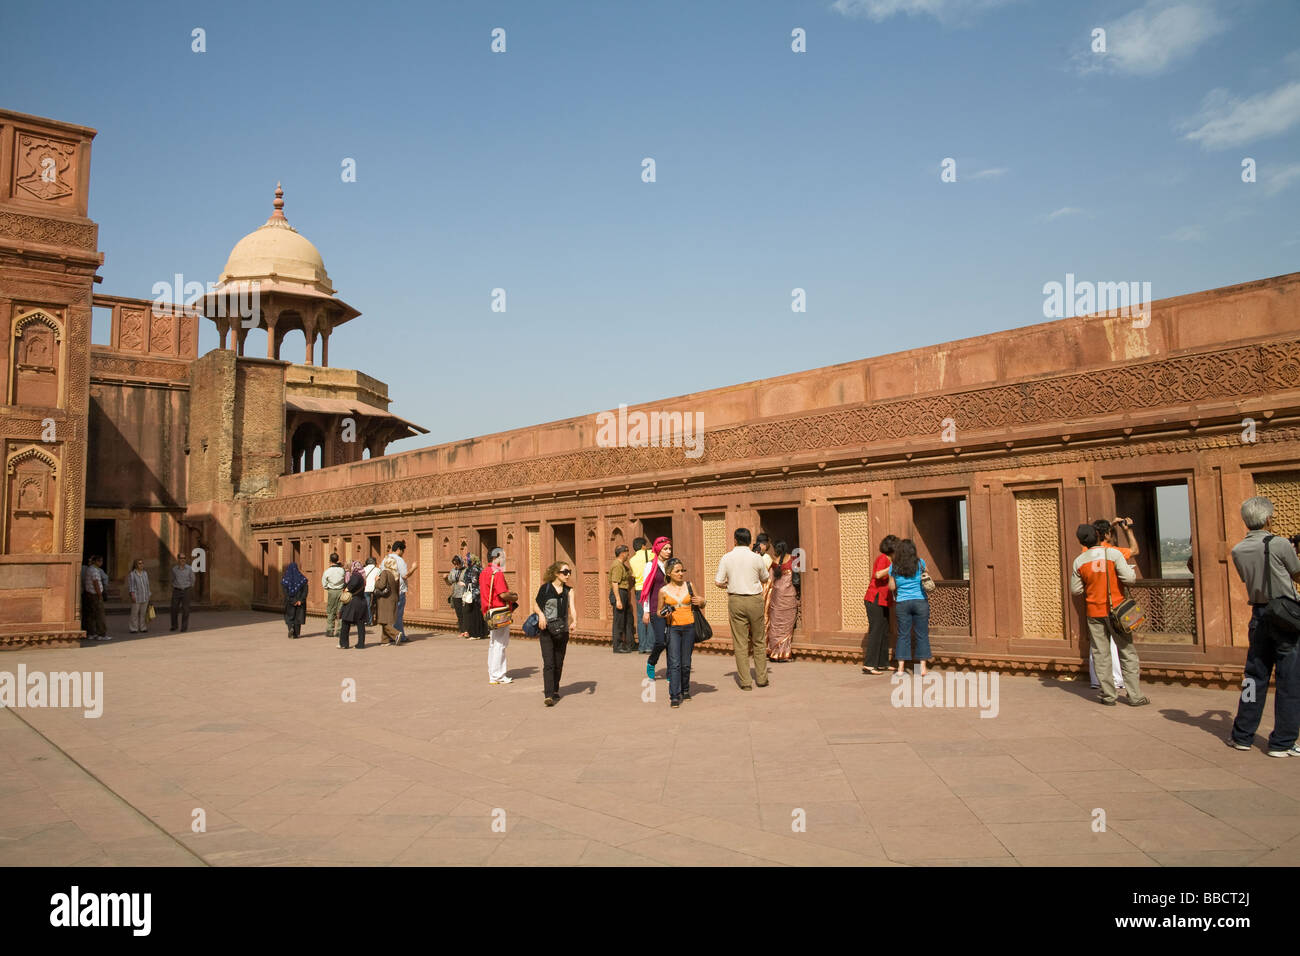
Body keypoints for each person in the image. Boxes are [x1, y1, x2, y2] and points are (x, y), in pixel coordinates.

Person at [1229, 497, 1300, 755]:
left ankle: (1242, 736)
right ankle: (1282, 742)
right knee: (1289, 679)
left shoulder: (1237, 550)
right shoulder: (1279, 543)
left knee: (1254, 677)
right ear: (1268, 518)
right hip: (1285, 614)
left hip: (1258, 614)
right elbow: (1297, 573)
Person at [1069, 524, 1148, 706]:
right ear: (1098, 536)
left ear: (1082, 541)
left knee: (1101, 654)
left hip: (1094, 612)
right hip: (1117, 611)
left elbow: (1075, 590)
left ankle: (1108, 695)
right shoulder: (1113, 554)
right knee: (1127, 652)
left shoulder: (1080, 561)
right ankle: (1134, 695)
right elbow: (1130, 579)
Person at [715, 527, 770, 691]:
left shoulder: (727, 557)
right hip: (754, 600)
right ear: (750, 540)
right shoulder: (756, 557)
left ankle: (746, 682)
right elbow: (765, 578)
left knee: (740, 643)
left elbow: (718, 581)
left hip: (736, 600)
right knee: (759, 640)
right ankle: (761, 679)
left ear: (735, 540)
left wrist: (729, 584)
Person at [1087, 518, 1138, 692]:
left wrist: (1111, 524)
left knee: (1098, 648)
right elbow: (1134, 550)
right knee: (1118, 646)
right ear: (1108, 534)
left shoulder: (1085, 554)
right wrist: (1127, 530)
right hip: (1114, 606)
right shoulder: (1114, 553)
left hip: (1093, 608)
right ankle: (1117, 681)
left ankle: (1098, 681)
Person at [659, 557, 706, 708]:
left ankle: (685, 689)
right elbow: (658, 612)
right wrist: (663, 613)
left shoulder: (689, 585)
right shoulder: (663, 591)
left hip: (689, 627)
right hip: (673, 628)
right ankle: (674, 695)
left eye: (682, 570)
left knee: (686, 663)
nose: (681, 574)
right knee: (674, 663)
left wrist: (702, 601)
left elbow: (701, 602)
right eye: (677, 571)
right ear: (669, 573)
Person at [535, 561, 576, 705]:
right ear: (556, 573)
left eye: (569, 572)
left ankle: (555, 689)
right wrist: (541, 615)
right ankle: (548, 695)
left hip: (562, 631)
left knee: (558, 662)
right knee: (549, 663)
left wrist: (574, 621)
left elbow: (572, 607)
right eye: (565, 572)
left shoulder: (569, 590)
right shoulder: (545, 589)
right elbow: (536, 605)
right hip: (546, 630)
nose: (568, 575)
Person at [890, 539, 931, 677]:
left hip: (902, 603)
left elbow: (892, 587)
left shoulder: (894, 566)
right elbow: (926, 576)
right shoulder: (920, 563)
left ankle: (901, 668)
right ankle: (922, 668)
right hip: (920, 601)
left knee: (903, 635)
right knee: (922, 634)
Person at [863, 535, 898, 674]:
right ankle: (869, 665)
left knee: (884, 631)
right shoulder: (883, 558)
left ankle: (882, 663)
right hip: (874, 599)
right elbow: (877, 575)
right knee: (876, 631)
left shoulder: (891, 560)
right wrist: (892, 568)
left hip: (884, 600)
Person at [481, 547, 517, 684]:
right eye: (503, 557)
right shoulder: (497, 573)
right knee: (500, 644)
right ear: (496, 556)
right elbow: (503, 594)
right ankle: (498, 675)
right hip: (499, 611)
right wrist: (513, 597)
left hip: (489, 611)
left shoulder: (485, 572)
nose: (504, 560)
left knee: (493, 643)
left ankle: (493, 673)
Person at [641, 537, 672, 680]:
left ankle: (671, 672)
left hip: (671, 608)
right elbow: (646, 589)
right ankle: (651, 662)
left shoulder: (671, 565)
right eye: (665, 549)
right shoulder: (650, 566)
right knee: (661, 640)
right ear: (658, 549)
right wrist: (646, 611)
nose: (668, 551)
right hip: (655, 608)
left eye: (670, 548)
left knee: (672, 641)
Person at [765, 541, 799, 662]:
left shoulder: (774, 563)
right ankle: (784, 653)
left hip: (777, 598)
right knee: (786, 625)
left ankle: (774, 652)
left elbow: (769, 581)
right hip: (789, 597)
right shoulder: (793, 559)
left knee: (776, 624)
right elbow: (799, 575)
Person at [385, 540, 416, 644]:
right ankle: (399, 636)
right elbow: (405, 575)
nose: (403, 553)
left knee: (390, 614)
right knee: (398, 614)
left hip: (387, 591)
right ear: (399, 549)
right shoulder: (399, 560)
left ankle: (390, 635)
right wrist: (413, 568)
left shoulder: (385, 559)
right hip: (398, 591)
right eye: (403, 551)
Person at [628, 537, 655, 654]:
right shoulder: (650, 554)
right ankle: (650, 645)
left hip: (639, 589)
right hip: (650, 588)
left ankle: (642, 646)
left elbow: (634, 575)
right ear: (643, 545)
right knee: (650, 616)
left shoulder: (632, 560)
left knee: (640, 617)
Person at [609, 544, 636, 653]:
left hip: (624, 592)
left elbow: (631, 575)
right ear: (622, 553)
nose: (628, 554)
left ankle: (630, 643)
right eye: (627, 552)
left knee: (628, 619)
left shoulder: (623, 565)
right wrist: (618, 600)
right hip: (619, 592)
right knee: (619, 621)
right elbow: (615, 583)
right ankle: (618, 645)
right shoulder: (617, 565)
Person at [373, 555, 403, 645]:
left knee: (382, 620)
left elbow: (381, 585)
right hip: (393, 598)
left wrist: (376, 580)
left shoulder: (385, 572)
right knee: (386, 619)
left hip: (384, 600)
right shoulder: (396, 574)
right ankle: (385, 640)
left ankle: (396, 634)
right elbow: (398, 588)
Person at [338, 562, 369, 649]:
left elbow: (350, 587)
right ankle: (361, 644)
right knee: (360, 623)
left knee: (345, 622)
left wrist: (346, 588)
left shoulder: (355, 575)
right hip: (361, 601)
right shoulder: (362, 576)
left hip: (353, 602)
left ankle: (344, 643)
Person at [82, 555, 108, 641]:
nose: (101, 563)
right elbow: (96, 583)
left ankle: (91, 633)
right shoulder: (95, 570)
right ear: (96, 561)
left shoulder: (89, 569)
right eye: (100, 561)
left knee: (91, 615)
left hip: (89, 594)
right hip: (95, 595)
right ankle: (101, 634)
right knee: (100, 615)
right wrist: (100, 595)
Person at [462, 554, 488, 639]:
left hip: (475, 595)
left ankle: (475, 634)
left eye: (466, 560)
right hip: (478, 594)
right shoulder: (475, 568)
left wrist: (464, 584)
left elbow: (474, 582)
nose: (465, 562)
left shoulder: (474, 569)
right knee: (478, 614)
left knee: (473, 614)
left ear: (471, 561)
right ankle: (481, 633)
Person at [321, 552, 346, 641]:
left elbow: (324, 583)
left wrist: (327, 587)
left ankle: (330, 630)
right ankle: (339, 630)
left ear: (330, 560)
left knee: (331, 610)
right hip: (340, 590)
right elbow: (345, 580)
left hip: (331, 591)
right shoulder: (342, 570)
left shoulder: (327, 571)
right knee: (340, 610)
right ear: (337, 560)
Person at [282, 562, 308, 639]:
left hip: (289, 602)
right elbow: (305, 591)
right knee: (298, 617)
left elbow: (285, 593)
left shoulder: (285, 580)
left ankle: (291, 629)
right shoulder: (302, 579)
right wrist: (300, 600)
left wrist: (292, 601)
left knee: (289, 617)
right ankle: (296, 634)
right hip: (300, 603)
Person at [170, 553, 194, 632]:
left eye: (184, 558)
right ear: (178, 559)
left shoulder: (189, 569)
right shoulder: (174, 569)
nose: (183, 559)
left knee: (186, 609)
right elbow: (172, 579)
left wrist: (189, 587)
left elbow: (192, 579)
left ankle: (184, 627)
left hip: (186, 590)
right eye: (181, 558)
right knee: (174, 608)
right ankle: (174, 626)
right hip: (176, 590)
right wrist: (175, 586)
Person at [127, 558, 151, 634]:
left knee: (143, 613)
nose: (141, 565)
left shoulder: (145, 573)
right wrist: (132, 595)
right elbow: (131, 586)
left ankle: (143, 627)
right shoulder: (132, 574)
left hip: (145, 596)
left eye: (142, 563)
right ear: (136, 565)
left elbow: (147, 585)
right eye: (139, 563)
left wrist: (149, 594)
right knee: (134, 613)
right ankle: (133, 628)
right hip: (136, 596)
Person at [447, 555, 468, 637]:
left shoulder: (466, 571)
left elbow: (470, 581)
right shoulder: (453, 571)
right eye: (454, 564)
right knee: (459, 614)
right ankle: (462, 631)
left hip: (464, 594)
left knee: (465, 613)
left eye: (457, 564)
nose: (456, 566)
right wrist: (445, 578)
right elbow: (449, 581)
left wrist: (464, 584)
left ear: (461, 562)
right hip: (455, 594)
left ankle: (467, 630)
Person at [363, 556, 380, 626]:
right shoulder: (378, 569)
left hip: (366, 589)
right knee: (376, 605)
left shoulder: (364, 569)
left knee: (367, 605)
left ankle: (369, 621)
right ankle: (377, 619)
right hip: (375, 589)